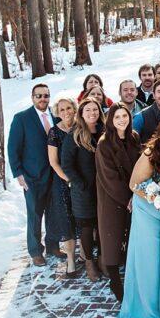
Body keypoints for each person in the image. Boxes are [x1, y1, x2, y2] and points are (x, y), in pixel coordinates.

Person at [120, 118, 160, 318]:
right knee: (150, 258)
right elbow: (133, 184)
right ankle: (146, 306)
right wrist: (156, 197)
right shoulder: (150, 154)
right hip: (148, 211)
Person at [8, 83, 62, 266]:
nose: (42, 99)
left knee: (54, 212)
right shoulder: (22, 118)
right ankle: (35, 251)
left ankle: (53, 244)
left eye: (46, 95)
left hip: (54, 175)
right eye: (38, 96)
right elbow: (13, 148)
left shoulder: (55, 117)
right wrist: (18, 174)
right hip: (32, 176)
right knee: (35, 213)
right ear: (33, 98)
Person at [95, 103, 141, 301]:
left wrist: (137, 193)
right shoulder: (104, 144)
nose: (122, 120)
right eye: (117, 117)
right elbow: (109, 177)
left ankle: (132, 278)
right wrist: (127, 198)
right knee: (112, 237)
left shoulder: (134, 137)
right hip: (113, 196)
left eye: (125, 116)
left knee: (132, 237)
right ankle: (114, 279)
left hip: (134, 195)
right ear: (111, 120)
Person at [61, 98, 105, 282]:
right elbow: (67, 164)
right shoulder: (75, 135)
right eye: (88, 110)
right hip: (84, 191)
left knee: (103, 226)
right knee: (87, 229)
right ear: (81, 113)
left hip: (103, 189)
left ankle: (104, 259)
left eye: (95, 109)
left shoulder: (105, 131)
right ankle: (89, 263)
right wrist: (81, 184)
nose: (92, 113)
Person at [46, 94, 78, 277]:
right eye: (62, 109)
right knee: (67, 221)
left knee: (82, 218)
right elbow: (53, 162)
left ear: (74, 109)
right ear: (58, 112)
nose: (66, 112)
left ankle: (84, 255)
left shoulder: (81, 128)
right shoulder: (54, 132)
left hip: (81, 181)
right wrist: (68, 180)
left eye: (69, 108)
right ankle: (71, 259)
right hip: (62, 182)